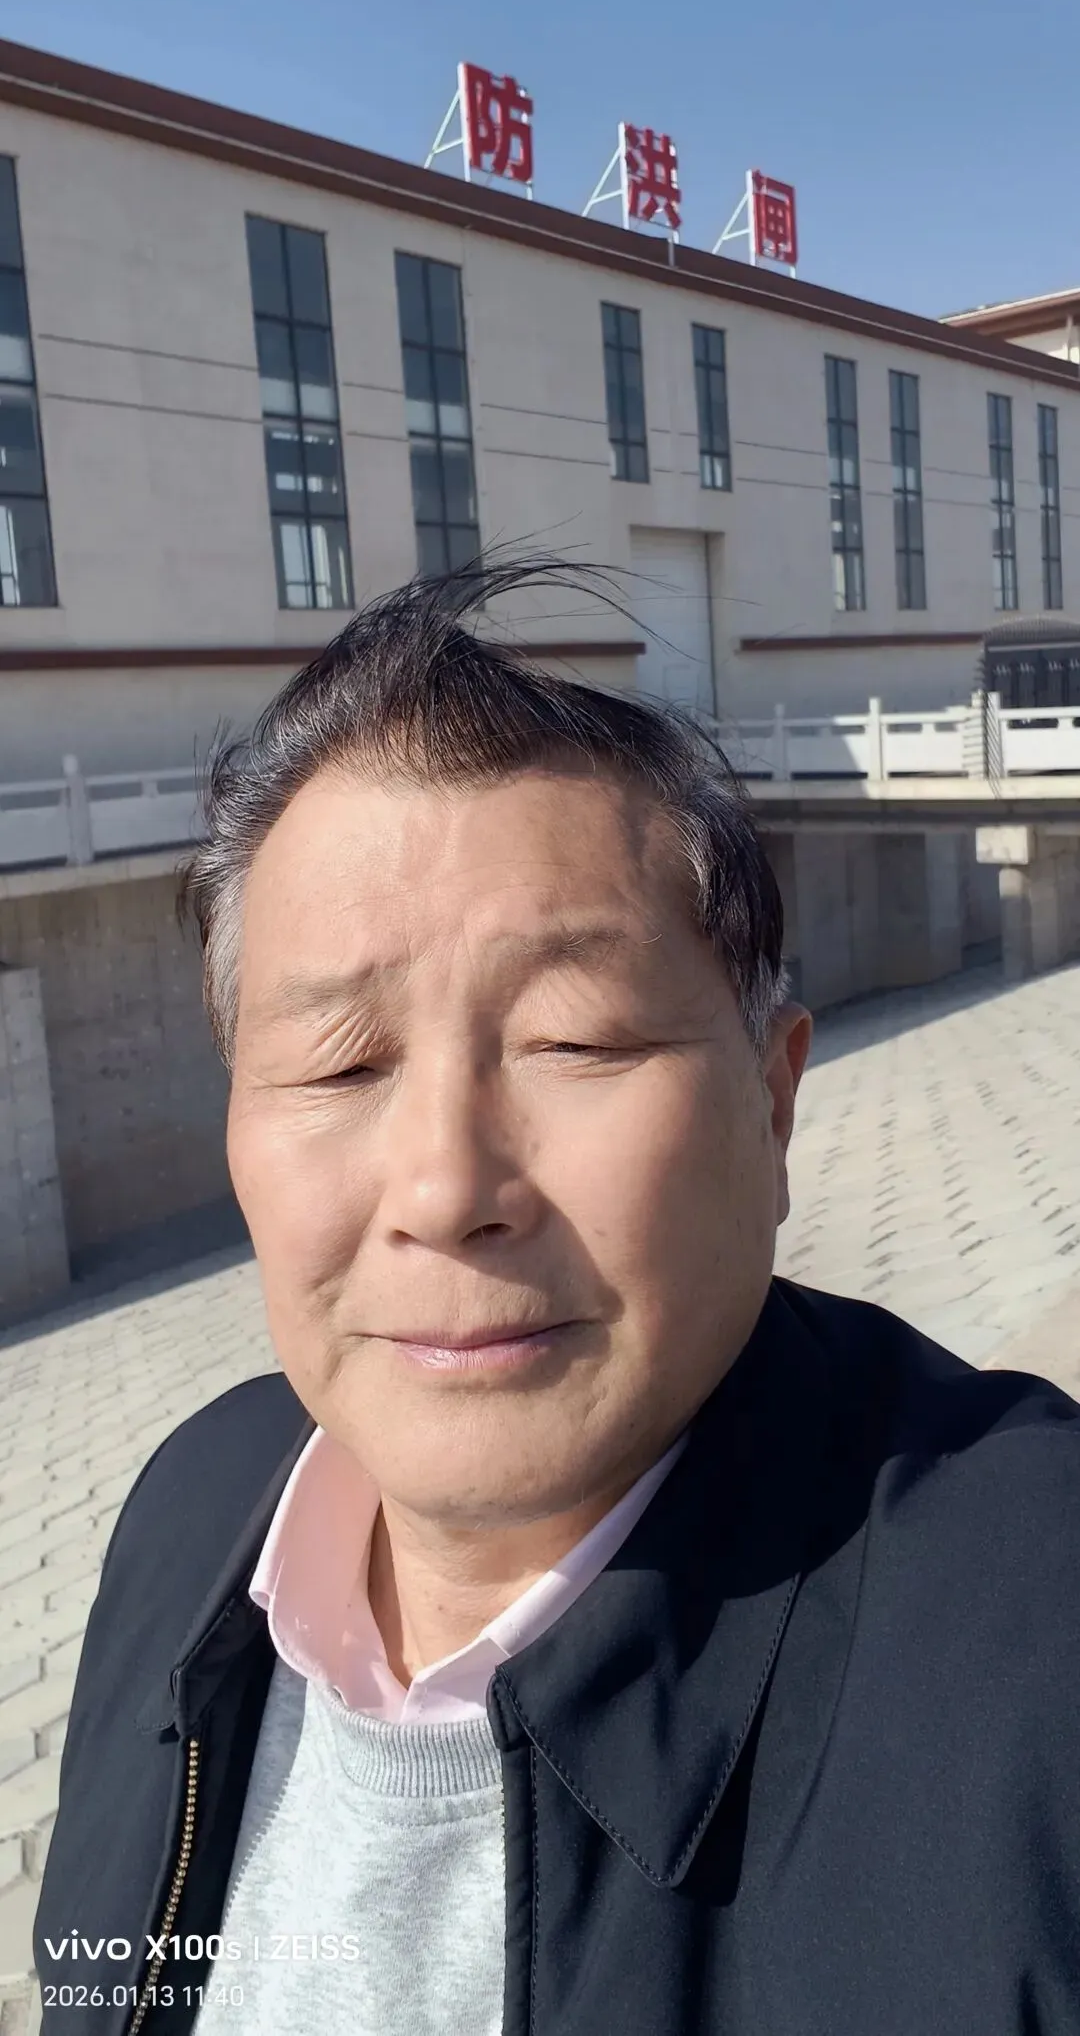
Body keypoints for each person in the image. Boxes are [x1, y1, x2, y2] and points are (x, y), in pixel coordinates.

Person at [35, 557, 1080, 2036]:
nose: (446, 1185)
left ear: (774, 1103)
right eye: (340, 1063)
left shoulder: (1034, 1638)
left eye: (575, 1039)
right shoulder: (190, 1522)